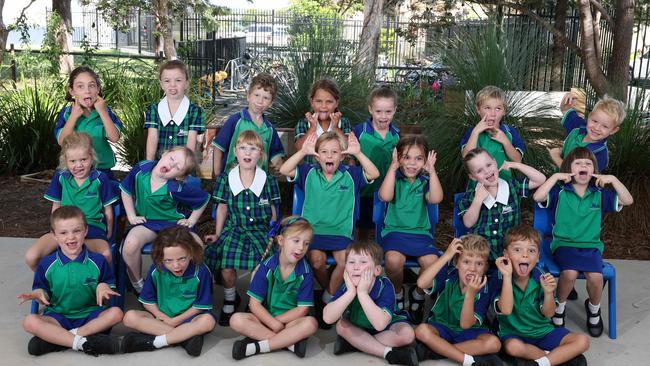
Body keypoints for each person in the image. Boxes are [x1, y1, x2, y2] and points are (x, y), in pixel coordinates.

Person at [279, 131, 379, 325]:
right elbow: (284, 169)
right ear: (317, 156)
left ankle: (327, 298)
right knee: (317, 261)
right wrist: (302, 153)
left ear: (342, 155)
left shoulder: (351, 174)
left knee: (345, 261)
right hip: (313, 232)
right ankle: (333, 293)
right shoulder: (308, 172)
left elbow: (374, 173)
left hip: (341, 232)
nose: (329, 156)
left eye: (335, 152)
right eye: (324, 152)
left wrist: (358, 153)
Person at [533, 147, 633, 337]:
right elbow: (537, 196)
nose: (583, 166)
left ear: (593, 171)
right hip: (564, 244)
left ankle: (594, 310)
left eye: (588, 163)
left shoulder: (600, 194)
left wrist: (613, 179)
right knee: (569, 274)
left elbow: (627, 200)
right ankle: (559, 308)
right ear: (569, 169)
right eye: (578, 163)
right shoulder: (560, 192)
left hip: (591, 246)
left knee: (595, 277)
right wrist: (555, 177)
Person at [19, 206, 123, 356]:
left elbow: (108, 282)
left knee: (116, 313)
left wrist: (103, 286)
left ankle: (60, 339)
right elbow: (43, 290)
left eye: (77, 231)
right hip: (59, 316)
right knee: (29, 321)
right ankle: (82, 342)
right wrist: (38, 294)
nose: (71, 237)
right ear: (54, 236)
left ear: (85, 231)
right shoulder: (47, 264)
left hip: (90, 316)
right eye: (63, 233)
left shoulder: (98, 260)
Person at [204, 130, 281, 326]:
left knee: (261, 267)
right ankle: (231, 297)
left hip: (261, 230)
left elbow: (273, 210)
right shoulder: (226, 179)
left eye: (253, 149)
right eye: (243, 148)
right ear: (235, 153)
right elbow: (221, 208)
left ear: (260, 154)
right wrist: (218, 233)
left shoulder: (268, 180)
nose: (248, 153)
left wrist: (273, 229)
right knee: (226, 265)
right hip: (235, 228)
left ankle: (255, 301)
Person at [492, 225, 590, 366]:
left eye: (531, 251)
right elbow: (506, 310)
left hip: (543, 332)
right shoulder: (500, 277)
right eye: (517, 250)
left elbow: (549, 314)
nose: (525, 255)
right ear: (506, 255)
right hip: (514, 334)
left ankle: (540, 363)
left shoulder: (541, 276)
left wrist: (549, 292)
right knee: (512, 347)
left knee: (583, 341)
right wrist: (507, 277)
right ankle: (553, 357)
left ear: (538, 257)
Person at [120, 146, 210, 293]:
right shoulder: (141, 170)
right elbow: (126, 190)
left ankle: (189, 285)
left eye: (177, 167)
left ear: (179, 176)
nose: (170, 165)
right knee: (130, 245)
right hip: (147, 222)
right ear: (165, 154)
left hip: (173, 224)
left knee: (197, 245)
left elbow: (204, 199)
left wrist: (192, 220)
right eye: (171, 158)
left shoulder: (176, 188)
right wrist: (131, 216)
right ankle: (139, 286)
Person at [25, 132, 118, 271]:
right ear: (65, 161)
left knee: (106, 255)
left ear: (91, 158)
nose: (78, 165)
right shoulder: (61, 178)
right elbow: (56, 206)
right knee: (32, 257)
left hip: (91, 229)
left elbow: (108, 210)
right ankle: (52, 282)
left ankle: (105, 285)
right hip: (64, 228)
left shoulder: (100, 179)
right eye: (72, 161)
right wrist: (55, 229)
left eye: (83, 159)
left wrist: (109, 233)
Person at [230, 216, 318, 359]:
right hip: (265, 317)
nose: (301, 248)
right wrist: (272, 323)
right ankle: (289, 343)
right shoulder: (266, 267)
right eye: (296, 241)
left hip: (290, 322)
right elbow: (254, 304)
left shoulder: (306, 272)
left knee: (311, 324)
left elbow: (303, 309)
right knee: (236, 320)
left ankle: (257, 347)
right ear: (281, 240)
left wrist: (278, 322)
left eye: (306, 243)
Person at [122, 225, 216, 357]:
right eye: (168, 261)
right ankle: (185, 338)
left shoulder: (201, 271)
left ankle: (155, 342)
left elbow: (200, 306)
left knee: (208, 321)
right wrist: (163, 317)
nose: (176, 265)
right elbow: (148, 302)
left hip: (190, 319)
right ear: (160, 259)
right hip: (162, 318)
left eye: (182, 259)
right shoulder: (156, 270)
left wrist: (175, 321)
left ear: (191, 253)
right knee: (129, 317)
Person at [378, 135, 443, 322]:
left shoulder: (424, 182)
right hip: (394, 233)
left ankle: (418, 294)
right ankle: (397, 293)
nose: (412, 163)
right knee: (393, 260)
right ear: (398, 158)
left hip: (420, 234)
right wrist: (392, 168)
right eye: (406, 157)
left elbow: (436, 198)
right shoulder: (395, 179)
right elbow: (385, 196)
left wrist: (432, 173)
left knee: (431, 262)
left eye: (418, 158)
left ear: (425, 161)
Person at [322, 241, 417, 366]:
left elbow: (380, 325)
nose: (356, 267)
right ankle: (388, 353)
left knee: (407, 335)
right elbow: (328, 318)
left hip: (387, 326)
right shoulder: (347, 286)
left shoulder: (385, 285)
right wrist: (350, 292)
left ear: (377, 270)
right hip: (359, 327)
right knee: (341, 326)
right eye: (351, 262)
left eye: (363, 262)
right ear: (345, 268)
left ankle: (356, 344)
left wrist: (362, 293)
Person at [414, 235, 503, 366]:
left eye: (479, 264)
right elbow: (421, 283)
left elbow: (465, 325)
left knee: (494, 343)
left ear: (485, 267)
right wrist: (446, 256)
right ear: (457, 263)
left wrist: (470, 294)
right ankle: (466, 359)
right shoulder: (449, 275)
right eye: (466, 262)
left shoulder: (484, 289)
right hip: (442, 326)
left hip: (470, 332)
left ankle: (436, 351)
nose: (472, 268)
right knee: (421, 330)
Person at [458, 148, 546, 264]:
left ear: (495, 162)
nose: (487, 171)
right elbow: (468, 223)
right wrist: (478, 200)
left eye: (489, 165)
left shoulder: (512, 187)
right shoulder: (471, 196)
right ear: (473, 177)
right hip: (482, 254)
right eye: (479, 171)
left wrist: (515, 165)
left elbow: (540, 179)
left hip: (511, 254)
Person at [212, 72, 285, 177]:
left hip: (258, 183)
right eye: (256, 95)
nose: (260, 101)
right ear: (248, 96)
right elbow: (219, 147)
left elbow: (276, 157)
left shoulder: (269, 129)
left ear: (271, 103)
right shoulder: (235, 121)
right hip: (232, 179)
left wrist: (279, 166)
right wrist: (218, 173)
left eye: (266, 98)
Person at [55, 66, 122, 177]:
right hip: (73, 170)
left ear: (98, 89)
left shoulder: (105, 112)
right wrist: (73, 116)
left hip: (102, 170)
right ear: (71, 91)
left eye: (91, 86)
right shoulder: (66, 113)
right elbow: (62, 141)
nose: (87, 91)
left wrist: (103, 112)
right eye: (80, 86)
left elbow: (114, 137)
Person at [354, 86, 401, 239]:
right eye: (378, 111)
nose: (383, 116)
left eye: (388, 111)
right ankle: (361, 254)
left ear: (394, 110)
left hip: (388, 190)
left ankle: (383, 255)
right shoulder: (360, 131)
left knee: (385, 225)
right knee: (363, 227)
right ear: (370, 110)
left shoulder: (396, 134)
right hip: (365, 190)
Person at [460, 85, 525, 182]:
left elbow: (517, 160)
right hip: (478, 188)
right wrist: (475, 132)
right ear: (478, 109)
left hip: (505, 186)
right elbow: (466, 157)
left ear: (504, 111)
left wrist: (505, 141)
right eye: (487, 108)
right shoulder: (472, 132)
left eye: (498, 109)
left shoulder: (510, 132)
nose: (493, 114)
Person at [145, 60, 205, 160]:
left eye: (178, 80)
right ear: (161, 84)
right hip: (159, 166)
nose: (172, 85)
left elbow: (191, 143)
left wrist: (185, 168)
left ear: (186, 83)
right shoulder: (154, 110)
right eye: (167, 81)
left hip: (183, 166)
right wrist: (149, 166)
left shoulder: (195, 111)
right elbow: (152, 138)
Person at [548, 94, 625, 172]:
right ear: (590, 116)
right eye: (594, 121)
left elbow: (577, 176)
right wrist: (567, 101)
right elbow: (567, 111)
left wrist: (555, 156)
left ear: (613, 130)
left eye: (605, 126)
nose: (596, 128)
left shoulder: (599, 154)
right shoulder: (579, 127)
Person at [294, 78, 352, 164]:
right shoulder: (304, 123)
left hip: (337, 175)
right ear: (312, 102)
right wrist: (312, 128)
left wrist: (336, 128)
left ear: (336, 103)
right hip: (312, 173)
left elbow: (350, 149)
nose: (323, 106)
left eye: (329, 102)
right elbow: (299, 148)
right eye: (319, 101)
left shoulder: (343, 122)